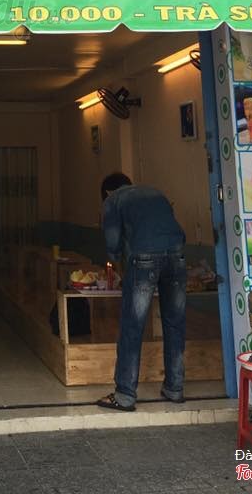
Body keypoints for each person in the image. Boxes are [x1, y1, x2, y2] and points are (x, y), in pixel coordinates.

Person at [97, 172, 187, 412]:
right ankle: (175, 388)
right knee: (175, 324)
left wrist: (116, 260)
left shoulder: (113, 200)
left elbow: (113, 241)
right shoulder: (156, 192)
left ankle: (125, 395)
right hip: (177, 255)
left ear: (107, 191)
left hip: (144, 258)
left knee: (132, 325)